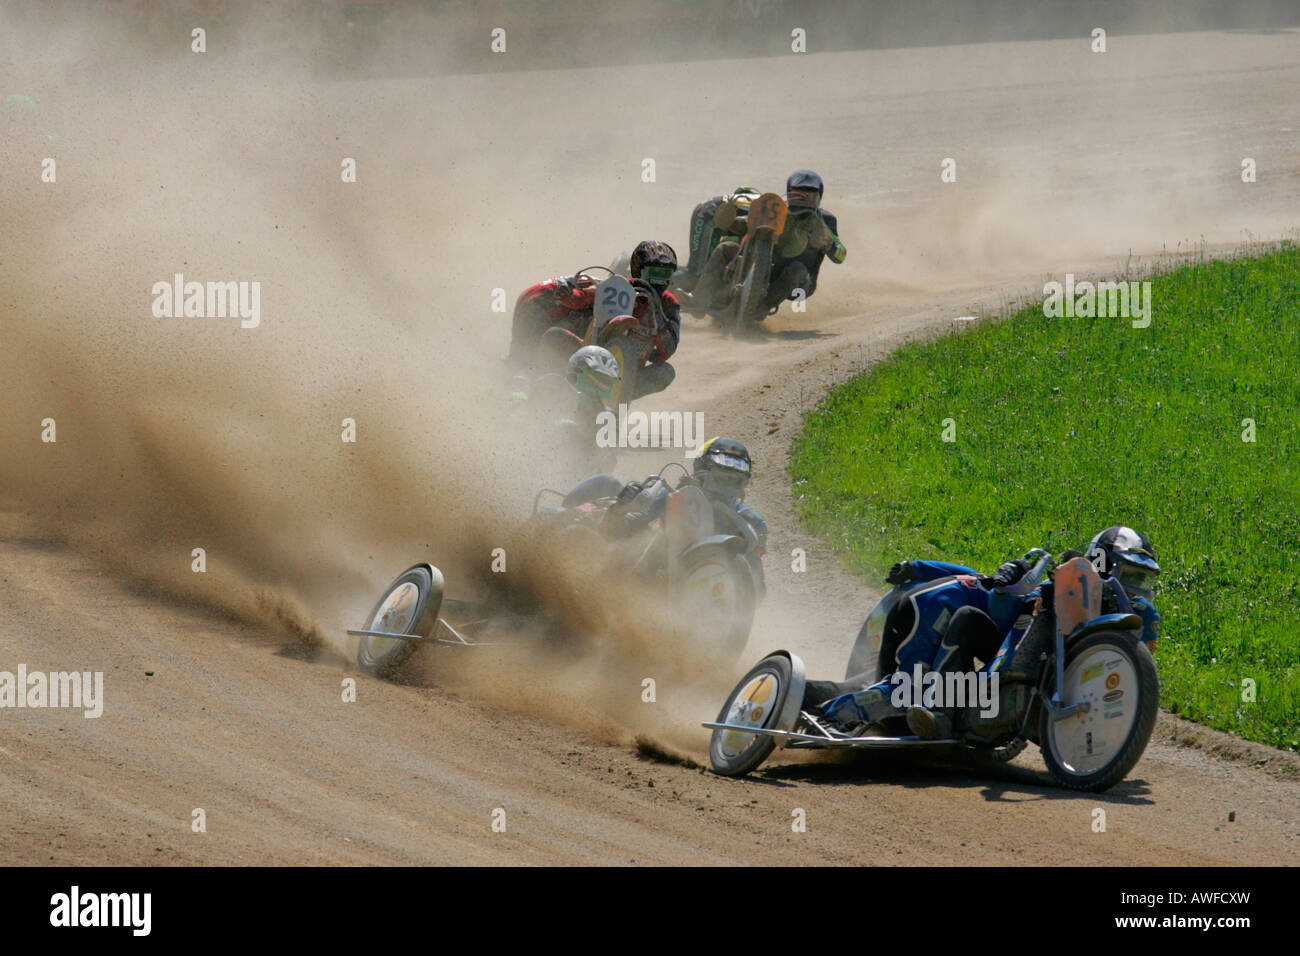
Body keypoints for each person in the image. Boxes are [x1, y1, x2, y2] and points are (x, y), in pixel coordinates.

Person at [805, 526, 1163, 740]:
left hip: (973, 667)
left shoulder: (1129, 622)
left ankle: (939, 706)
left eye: (1143, 580)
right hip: (929, 623)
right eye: (1130, 575)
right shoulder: (1058, 590)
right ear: (1100, 564)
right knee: (911, 680)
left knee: (916, 677)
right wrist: (1012, 577)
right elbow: (993, 594)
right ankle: (825, 713)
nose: (1136, 588)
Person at [507, 241, 682, 401]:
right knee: (555, 336)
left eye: (664, 273)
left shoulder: (669, 304)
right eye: (655, 272)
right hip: (587, 350)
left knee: (665, 372)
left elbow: (666, 352)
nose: (659, 279)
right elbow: (587, 293)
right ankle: (550, 391)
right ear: (638, 269)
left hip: (627, 375)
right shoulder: (619, 285)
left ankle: (614, 401)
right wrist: (570, 297)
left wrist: (659, 326)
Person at [688, 169, 846, 319]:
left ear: (819, 196)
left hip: (800, 286)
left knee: (797, 269)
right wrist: (730, 222)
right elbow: (749, 224)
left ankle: (762, 309)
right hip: (764, 265)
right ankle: (697, 299)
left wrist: (829, 243)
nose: (803, 198)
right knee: (725, 248)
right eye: (798, 193)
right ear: (789, 191)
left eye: (810, 194)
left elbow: (840, 256)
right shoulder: (778, 210)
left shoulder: (826, 220)